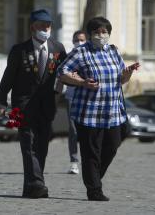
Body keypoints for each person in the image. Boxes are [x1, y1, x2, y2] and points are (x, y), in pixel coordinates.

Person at [57, 17, 140, 201]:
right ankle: (94, 190)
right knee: (91, 152)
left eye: (104, 32)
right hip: (89, 113)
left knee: (112, 146)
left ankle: (93, 177)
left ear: (109, 34)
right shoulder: (81, 52)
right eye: (96, 32)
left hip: (113, 112)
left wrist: (127, 74)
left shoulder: (113, 51)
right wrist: (82, 82)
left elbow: (120, 80)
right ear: (90, 34)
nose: (100, 35)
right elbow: (62, 72)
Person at [0, 9, 67, 199]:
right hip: (22, 106)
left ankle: (32, 186)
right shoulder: (19, 50)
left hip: (47, 106)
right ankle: (37, 183)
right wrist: (1, 102)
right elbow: (7, 79)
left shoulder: (58, 49)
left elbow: (67, 73)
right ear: (32, 27)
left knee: (41, 146)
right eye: (42, 25)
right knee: (28, 144)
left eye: (48, 25)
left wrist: (65, 92)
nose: (46, 28)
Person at [64, 30, 87, 175]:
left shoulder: (90, 56)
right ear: (73, 41)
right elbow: (62, 75)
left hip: (87, 97)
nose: (79, 42)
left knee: (86, 131)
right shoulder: (69, 57)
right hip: (72, 97)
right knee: (73, 130)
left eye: (82, 40)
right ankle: (74, 162)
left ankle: (88, 161)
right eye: (77, 39)